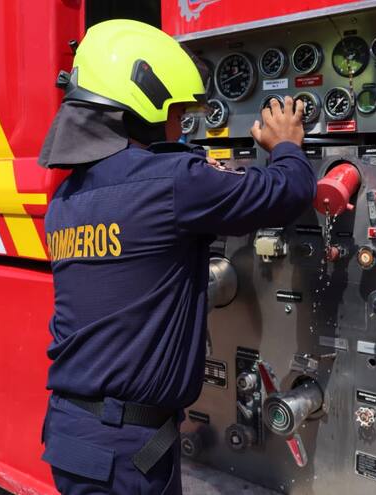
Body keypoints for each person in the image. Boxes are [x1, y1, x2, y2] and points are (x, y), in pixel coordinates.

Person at [38, 19, 317, 494]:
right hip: (127, 452)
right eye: (176, 114)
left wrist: (199, 181)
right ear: (143, 105)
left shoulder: (65, 201)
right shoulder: (173, 182)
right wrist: (287, 144)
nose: (180, 127)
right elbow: (288, 191)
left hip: (71, 436)